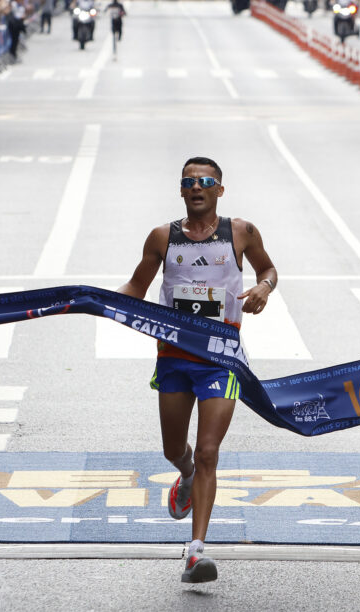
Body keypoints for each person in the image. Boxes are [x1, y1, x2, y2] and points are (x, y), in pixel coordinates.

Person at [117, 157, 278, 584]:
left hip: (221, 358)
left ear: (219, 190)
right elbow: (136, 286)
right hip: (173, 356)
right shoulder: (161, 237)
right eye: (188, 182)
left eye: (205, 181)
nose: (196, 187)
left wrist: (263, 287)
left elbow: (268, 268)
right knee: (176, 449)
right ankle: (184, 475)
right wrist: (102, 301)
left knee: (209, 451)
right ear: (182, 191)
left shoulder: (241, 232)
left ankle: (195, 552)